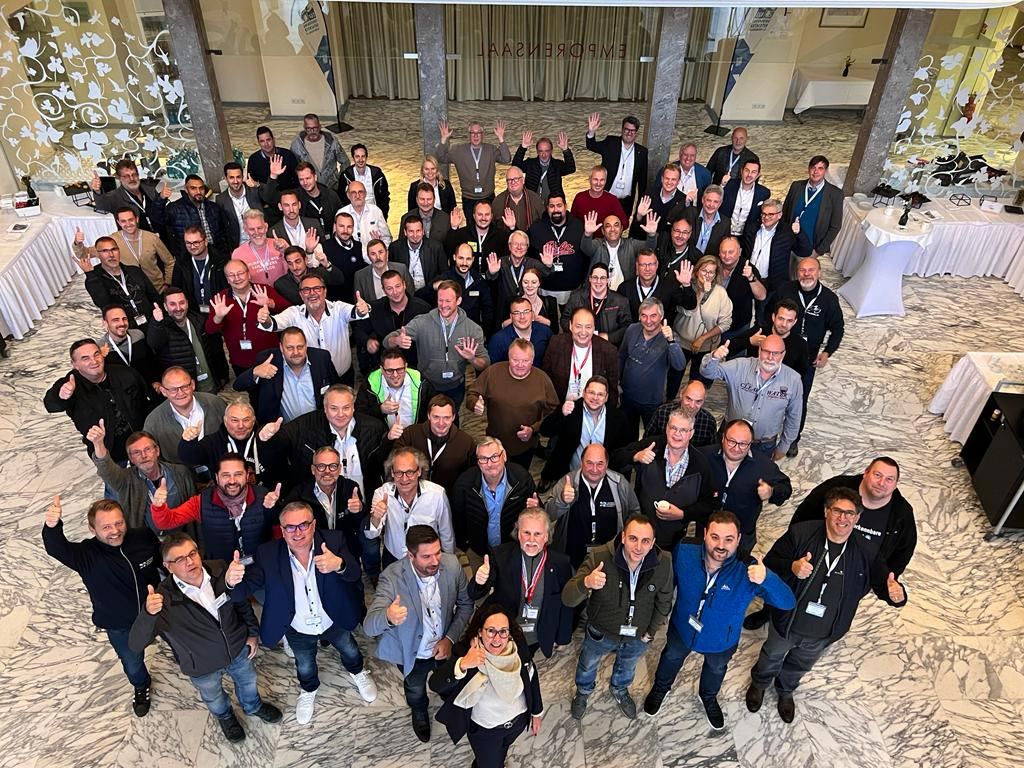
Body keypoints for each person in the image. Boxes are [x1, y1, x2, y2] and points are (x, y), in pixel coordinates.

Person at [745, 487, 907, 723]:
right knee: (771, 656)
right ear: (826, 512)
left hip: (824, 632)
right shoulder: (801, 533)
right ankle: (759, 684)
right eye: (837, 511)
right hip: (787, 622)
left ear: (857, 518)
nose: (843, 518)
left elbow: (885, 584)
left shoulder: (866, 550)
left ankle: (785, 690)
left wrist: (896, 595)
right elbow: (770, 563)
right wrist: (792, 567)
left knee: (800, 665)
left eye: (850, 513)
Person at [642, 510, 795, 728]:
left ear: (739, 539)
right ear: (705, 534)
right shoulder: (685, 550)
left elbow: (787, 602)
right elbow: (668, 582)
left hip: (721, 640)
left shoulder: (749, 569)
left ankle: (708, 697)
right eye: (715, 537)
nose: (721, 545)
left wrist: (767, 579)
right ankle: (661, 688)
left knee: (715, 670)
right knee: (671, 657)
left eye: (729, 539)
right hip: (682, 628)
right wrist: (662, 611)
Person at [229, 500, 377, 725]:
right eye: (290, 527)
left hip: (332, 619)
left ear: (314, 525)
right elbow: (244, 590)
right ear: (282, 530)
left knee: (349, 649)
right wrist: (232, 582)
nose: (297, 532)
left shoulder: (333, 540)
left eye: (303, 525)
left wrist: (339, 564)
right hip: (297, 627)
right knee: (305, 664)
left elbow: (355, 574)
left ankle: (357, 672)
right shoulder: (267, 553)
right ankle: (308, 689)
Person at [128, 532, 283, 742]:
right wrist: (148, 614)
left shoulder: (219, 569)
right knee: (214, 697)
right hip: (202, 666)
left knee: (248, 682)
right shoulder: (163, 600)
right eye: (180, 559)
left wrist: (252, 632)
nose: (189, 562)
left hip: (238, 650)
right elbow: (136, 644)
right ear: (168, 566)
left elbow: (240, 602)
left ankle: (253, 706)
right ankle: (225, 717)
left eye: (192, 553)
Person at [745, 456, 916, 632]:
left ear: (896, 484)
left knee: (835, 606)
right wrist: (795, 548)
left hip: (851, 573)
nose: (881, 483)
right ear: (866, 473)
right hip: (809, 563)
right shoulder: (837, 487)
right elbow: (804, 515)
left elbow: (903, 551)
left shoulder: (901, 513)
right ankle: (768, 612)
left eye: (889, 479)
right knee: (783, 589)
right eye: (877, 475)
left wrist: (886, 579)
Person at [42, 497, 162, 717]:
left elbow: (161, 560)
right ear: (92, 529)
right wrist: (52, 526)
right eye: (106, 527)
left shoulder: (142, 537)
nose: (115, 531)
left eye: (119, 523)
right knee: (132, 663)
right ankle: (141, 685)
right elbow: (57, 548)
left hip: (159, 612)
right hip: (121, 625)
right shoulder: (86, 555)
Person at [364, 525, 474, 742]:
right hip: (411, 652)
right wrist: (388, 616)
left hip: (444, 646)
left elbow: (465, 604)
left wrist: (450, 638)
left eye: (437, 553)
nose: (435, 561)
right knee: (414, 688)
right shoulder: (392, 577)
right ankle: (419, 710)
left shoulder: (452, 565)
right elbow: (369, 626)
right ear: (410, 555)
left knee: (449, 679)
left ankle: (449, 699)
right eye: (426, 556)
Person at [562, 514, 672, 720]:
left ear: (653, 543)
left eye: (645, 541)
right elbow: (568, 598)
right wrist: (586, 582)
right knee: (587, 664)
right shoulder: (599, 557)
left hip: (638, 635)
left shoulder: (664, 562)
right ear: (623, 537)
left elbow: (664, 602)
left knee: (628, 666)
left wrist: (650, 632)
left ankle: (620, 690)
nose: (638, 547)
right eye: (633, 539)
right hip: (601, 631)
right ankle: (583, 691)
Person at [429, 603, 544, 767]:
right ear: (480, 632)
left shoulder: (517, 645)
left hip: (517, 722)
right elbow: (435, 684)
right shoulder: (467, 653)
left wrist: (536, 711)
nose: (497, 639)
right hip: (486, 731)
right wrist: (463, 664)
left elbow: (531, 673)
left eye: (503, 631)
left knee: (500, 754)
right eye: (491, 631)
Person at [466, 507, 573, 658]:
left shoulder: (561, 563)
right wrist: (479, 581)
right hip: (503, 635)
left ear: (547, 536)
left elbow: (565, 604)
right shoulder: (500, 555)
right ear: (518, 533)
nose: (531, 540)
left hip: (537, 635)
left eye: (537, 534)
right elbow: (475, 594)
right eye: (526, 533)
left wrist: (563, 637)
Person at [151, 453, 282, 562]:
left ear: (247, 476)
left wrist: (273, 510)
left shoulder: (265, 497)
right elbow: (166, 522)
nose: (232, 481)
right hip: (221, 569)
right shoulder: (201, 501)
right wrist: (158, 506)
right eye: (226, 475)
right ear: (217, 477)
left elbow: (279, 531)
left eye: (238, 474)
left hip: (261, 565)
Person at [614, 410, 716, 548]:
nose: (677, 434)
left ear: (691, 433)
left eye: (683, 430)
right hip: (639, 535)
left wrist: (683, 514)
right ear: (667, 428)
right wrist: (636, 456)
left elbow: (710, 503)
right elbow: (615, 458)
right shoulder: (652, 446)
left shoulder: (700, 464)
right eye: (673, 428)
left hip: (674, 540)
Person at [774, 256, 844, 456]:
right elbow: (769, 312)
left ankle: (793, 439)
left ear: (819, 272)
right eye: (802, 270)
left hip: (807, 360)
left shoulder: (829, 299)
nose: (806, 274)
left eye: (811, 270)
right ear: (797, 273)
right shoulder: (786, 289)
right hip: (779, 355)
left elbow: (838, 329)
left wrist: (827, 352)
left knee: (799, 401)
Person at [44, 338, 153, 464]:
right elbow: (51, 405)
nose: (94, 361)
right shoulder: (69, 383)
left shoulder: (125, 373)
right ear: (74, 364)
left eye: (96, 354)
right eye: (85, 358)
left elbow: (149, 402)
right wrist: (61, 395)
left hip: (142, 445)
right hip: (109, 455)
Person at [384, 280, 489, 410]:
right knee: (427, 419)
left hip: (455, 386)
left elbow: (485, 363)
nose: (443, 305)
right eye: (440, 300)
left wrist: (472, 359)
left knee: (452, 419)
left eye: (448, 301)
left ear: (458, 301)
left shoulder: (473, 329)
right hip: (427, 385)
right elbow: (387, 341)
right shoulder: (422, 322)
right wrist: (396, 341)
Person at [700, 334, 803, 461]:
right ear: (759, 350)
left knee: (756, 474)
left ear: (783, 354)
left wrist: (784, 446)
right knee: (718, 468)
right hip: (730, 439)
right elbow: (707, 373)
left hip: (763, 445)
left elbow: (794, 416)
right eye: (766, 351)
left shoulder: (793, 380)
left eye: (776, 353)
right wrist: (714, 357)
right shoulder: (740, 366)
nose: (770, 357)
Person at [256, 273, 370, 383]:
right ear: (301, 294)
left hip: (343, 377)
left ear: (325, 291)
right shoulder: (294, 313)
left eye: (317, 288)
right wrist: (265, 319)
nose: (312, 293)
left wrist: (362, 309)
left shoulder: (338, 308)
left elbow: (356, 312)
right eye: (306, 290)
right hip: (311, 380)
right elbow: (273, 324)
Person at [700, 420, 792, 557]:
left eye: (743, 444)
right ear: (723, 437)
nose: (736, 448)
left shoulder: (763, 465)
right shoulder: (705, 456)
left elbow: (786, 487)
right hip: (706, 528)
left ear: (751, 444)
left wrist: (772, 491)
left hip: (742, 533)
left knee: (738, 565)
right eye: (732, 441)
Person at [276, 384, 388, 495]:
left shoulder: (374, 428)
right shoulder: (305, 429)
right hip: (323, 502)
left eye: (346, 408)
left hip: (367, 501)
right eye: (334, 408)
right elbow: (279, 445)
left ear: (353, 407)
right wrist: (267, 437)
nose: (340, 414)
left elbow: (383, 464)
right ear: (325, 409)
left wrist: (390, 441)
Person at [545, 443, 642, 569]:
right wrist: (562, 500)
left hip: (610, 557)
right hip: (571, 557)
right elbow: (547, 515)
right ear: (581, 463)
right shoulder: (567, 482)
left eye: (600, 464)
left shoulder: (619, 483)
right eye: (589, 463)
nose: (594, 469)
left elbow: (635, 513)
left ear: (607, 464)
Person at [450, 437, 539, 570]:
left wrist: (536, 509)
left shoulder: (521, 478)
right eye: (483, 459)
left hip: (512, 550)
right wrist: (467, 546)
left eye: (494, 457)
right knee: (481, 582)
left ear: (504, 456)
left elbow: (540, 513)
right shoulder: (464, 484)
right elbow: (457, 518)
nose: (490, 464)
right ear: (478, 462)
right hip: (478, 553)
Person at [88, 424, 197, 533]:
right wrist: (99, 444)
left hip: (182, 538)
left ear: (157, 451)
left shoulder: (180, 472)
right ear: (131, 458)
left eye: (148, 449)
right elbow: (107, 470)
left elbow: (196, 511)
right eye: (137, 453)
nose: (144, 455)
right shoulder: (126, 479)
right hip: (148, 540)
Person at [468, 339, 559, 469]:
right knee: (493, 473)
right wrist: (474, 404)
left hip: (525, 446)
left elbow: (554, 412)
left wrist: (534, 429)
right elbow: (472, 393)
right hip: (494, 443)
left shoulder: (542, 379)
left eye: (525, 361)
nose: (520, 365)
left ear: (532, 360)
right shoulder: (493, 372)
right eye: (515, 360)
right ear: (508, 357)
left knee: (519, 476)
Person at [366, 447, 455, 566]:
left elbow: (446, 533)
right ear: (392, 472)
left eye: (410, 472)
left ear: (419, 471)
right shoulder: (382, 493)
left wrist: (449, 563)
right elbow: (371, 534)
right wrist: (376, 517)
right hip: (393, 557)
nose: (404, 479)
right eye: (399, 473)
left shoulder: (437, 494)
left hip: (427, 557)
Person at [540, 375, 633, 488]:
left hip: (602, 475)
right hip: (572, 472)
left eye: (600, 394)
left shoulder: (618, 417)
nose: (595, 397)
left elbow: (625, 448)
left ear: (606, 398)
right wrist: (561, 414)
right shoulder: (571, 409)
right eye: (591, 392)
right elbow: (544, 431)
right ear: (584, 393)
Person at [232, 326, 338, 423]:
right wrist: (255, 372)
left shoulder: (321, 358)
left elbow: (337, 387)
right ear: (281, 347)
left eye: (300, 347)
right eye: (290, 348)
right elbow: (238, 386)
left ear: (306, 345)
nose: (296, 352)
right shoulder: (268, 360)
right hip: (283, 429)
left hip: (319, 424)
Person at [204, 259, 288, 375]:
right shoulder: (220, 299)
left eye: (240, 273)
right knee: (247, 386)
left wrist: (270, 303)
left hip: (269, 357)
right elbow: (210, 330)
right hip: (240, 360)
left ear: (248, 274)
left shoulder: (264, 290)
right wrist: (218, 317)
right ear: (227, 279)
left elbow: (289, 311)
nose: (237, 278)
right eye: (231, 275)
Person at [178, 401, 281, 488]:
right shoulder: (214, 442)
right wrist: (188, 441)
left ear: (253, 421)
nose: (241, 426)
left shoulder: (265, 438)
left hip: (264, 497)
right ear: (225, 421)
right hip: (225, 499)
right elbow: (190, 458)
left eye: (246, 420)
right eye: (235, 420)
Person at [618, 297, 685, 431]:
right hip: (627, 396)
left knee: (652, 435)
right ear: (639, 316)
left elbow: (679, 365)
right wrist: (617, 383)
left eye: (653, 316)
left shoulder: (669, 336)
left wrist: (671, 341)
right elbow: (622, 356)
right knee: (627, 434)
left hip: (652, 401)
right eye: (644, 315)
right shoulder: (632, 329)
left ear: (661, 316)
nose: (648, 321)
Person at [73, 207, 175, 292]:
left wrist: (167, 283)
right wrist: (78, 243)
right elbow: (84, 254)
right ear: (118, 222)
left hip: (157, 287)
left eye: (131, 220)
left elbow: (170, 262)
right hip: (133, 289)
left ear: (137, 219)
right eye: (123, 221)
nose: (128, 224)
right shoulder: (112, 241)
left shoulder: (152, 238)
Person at [146, 286, 224, 393]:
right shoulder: (162, 327)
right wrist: (157, 323)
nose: (178, 308)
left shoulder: (199, 320)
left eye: (182, 303)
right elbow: (154, 343)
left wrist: (222, 375)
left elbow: (215, 347)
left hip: (209, 385)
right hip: (183, 391)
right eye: (172, 304)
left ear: (187, 303)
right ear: (165, 306)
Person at [143, 366, 226, 465]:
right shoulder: (153, 421)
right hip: (181, 473)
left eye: (184, 387)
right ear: (163, 391)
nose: (180, 393)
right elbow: (151, 456)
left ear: (193, 385)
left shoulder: (215, 403)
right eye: (173, 389)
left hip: (220, 466)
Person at [352, 269, 431, 372]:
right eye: (389, 288)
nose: (395, 292)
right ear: (384, 290)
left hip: (416, 366)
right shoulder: (375, 308)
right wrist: (367, 341)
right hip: (384, 368)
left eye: (398, 286)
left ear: (404, 285)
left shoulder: (423, 308)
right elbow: (358, 330)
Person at [672, 255, 732, 388]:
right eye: (704, 270)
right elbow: (689, 311)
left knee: (698, 383)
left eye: (711, 272)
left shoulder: (721, 293)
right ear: (697, 271)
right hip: (682, 342)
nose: (707, 275)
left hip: (706, 346)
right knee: (674, 378)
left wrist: (703, 338)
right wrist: (702, 293)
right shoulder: (686, 287)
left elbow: (725, 323)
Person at [541, 307, 619, 409]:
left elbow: (612, 390)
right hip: (561, 407)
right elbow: (545, 379)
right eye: (578, 326)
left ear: (594, 327)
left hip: (593, 410)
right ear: (570, 326)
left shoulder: (608, 351)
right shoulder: (556, 343)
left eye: (588, 327)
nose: (583, 332)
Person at [395, 394, 477, 489]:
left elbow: (470, 476)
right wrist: (388, 439)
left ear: (453, 417)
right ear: (428, 415)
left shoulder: (466, 442)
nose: (441, 423)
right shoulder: (410, 434)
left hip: (449, 495)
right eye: (436, 417)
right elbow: (391, 462)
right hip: (413, 493)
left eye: (446, 418)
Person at [740, 199, 812, 306]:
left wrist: (799, 233)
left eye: (771, 214)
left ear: (779, 215)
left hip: (772, 282)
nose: (766, 217)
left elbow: (805, 251)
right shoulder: (752, 227)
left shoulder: (787, 232)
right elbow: (744, 249)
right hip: (749, 276)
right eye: (764, 214)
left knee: (764, 310)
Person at [436, 118, 511, 220]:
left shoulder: (491, 149)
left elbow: (506, 159)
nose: (476, 136)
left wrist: (501, 139)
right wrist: (444, 140)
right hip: (469, 198)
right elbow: (440, 158)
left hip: (488, 197)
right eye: (472, 133)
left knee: (489, 224)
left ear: (482, 135)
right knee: (471, 226)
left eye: (478, 133)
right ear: (469, 135)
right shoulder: (458, 150)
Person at [82, 236, 161, 326]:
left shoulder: (134, 271)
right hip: (124, 327)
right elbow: (103, 303)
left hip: (152, 320)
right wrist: (90, 275)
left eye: (114, 249)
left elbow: (153, 296)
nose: (111, 255)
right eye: (105, 251)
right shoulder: (94, 278)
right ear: (98, 254)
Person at [356, 348, 436, 432]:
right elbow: (359, 416)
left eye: (399, 369)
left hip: (415, 436)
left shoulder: (421, 383)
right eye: (390, 370)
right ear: (382, 370)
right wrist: (380, 410)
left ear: (406, 367)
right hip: (384, 437)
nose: (395, 375)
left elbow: (434, 412)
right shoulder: (369, 385)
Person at [584, 112, 648, 217]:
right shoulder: (611, 143)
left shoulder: (642, 152)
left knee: (621, 225)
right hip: (606, 197)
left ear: (636, 133)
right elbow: (592, 146)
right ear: (622, 130)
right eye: (627, 129)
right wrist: (591, 132)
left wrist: (639, 207)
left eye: (632, 130)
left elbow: (642, 181)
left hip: (626, 202)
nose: (629, 133)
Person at [781, 155, 844, 257]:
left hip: (810, 248)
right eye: (813, 168)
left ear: (826, 171)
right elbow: (784, 212)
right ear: (808, 169)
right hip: (788, 243)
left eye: (820, 168)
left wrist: (818, 251)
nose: (816, 172)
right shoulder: (796, 186)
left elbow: (835, 227)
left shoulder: (835, 194)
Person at [484, 230, 553, 323]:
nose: (519, 247)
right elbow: (489, 281)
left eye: (523, 244)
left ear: (527, 247)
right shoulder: (500, 262)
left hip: (526, 311)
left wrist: (548, 266)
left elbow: (548, 275)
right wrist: (492, 273)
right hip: (504, 310)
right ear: (509, 246)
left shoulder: (534, 263)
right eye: (515, 244)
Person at [527, 193, 586, 302]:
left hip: (573, 290)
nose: (555, 210)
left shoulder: (579, 227)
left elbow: (586, 256)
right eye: (552, 206)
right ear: (547, 208)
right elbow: (528, 255)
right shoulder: (536, 228)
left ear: (565, 206)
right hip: (545, 289)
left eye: (559, 205)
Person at [581, 212, 657, 294]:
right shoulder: (598, 244)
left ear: (621, 229)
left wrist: (651, 235)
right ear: (603, 231)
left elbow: (649, 249)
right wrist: (587, 234)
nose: (612, 229)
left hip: (624, 294)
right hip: (597, 291)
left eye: (616, 225)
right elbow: (586, 248)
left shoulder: (630, 244)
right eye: (608, 226)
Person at [559, 263, 632, 345]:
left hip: (608, 345)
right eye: (595, 277)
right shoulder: (576, 297)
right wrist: (579, 332)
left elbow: (627, 326)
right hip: (580, 342)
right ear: (590, 279)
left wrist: (609, 337)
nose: (598, 281)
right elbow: (564, 320)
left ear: (608, 280)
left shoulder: (620, 301)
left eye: (602, 278)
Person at [735, 298, 810, 377]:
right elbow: (729, 347)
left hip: (782, 383)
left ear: (795, 322)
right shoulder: (758, 332)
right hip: (751, 379)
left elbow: (801, 375)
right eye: (781, 318)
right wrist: (750, 341)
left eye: (789, 321)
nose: (784, 324)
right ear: (774, 317)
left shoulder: (800, 344)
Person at [164, 174, 231, 259]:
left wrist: (226, 251)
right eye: (193, 188)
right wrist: (161, 199)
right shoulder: (175, 208)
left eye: (201, 188)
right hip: (190, 257)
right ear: (186, 190)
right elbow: (157, 220)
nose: (198, 192)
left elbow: (224, 232)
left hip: (216, 254)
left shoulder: (214, 207)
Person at [91, 158, 169, 231]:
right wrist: (97, 191)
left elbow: (160, 211)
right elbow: (102, 206)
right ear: (119, 178)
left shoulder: (150, 190)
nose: (132, 179)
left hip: (161, 235)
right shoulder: (115, 196)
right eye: (126, 176)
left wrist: (161, 198)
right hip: (136, 237)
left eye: (134, 174)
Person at [716, 235, 766, 349]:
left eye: (731, 252)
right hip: (713, 325)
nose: (727, 256)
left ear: (739, 252)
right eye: (723, 252)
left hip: (736, 327)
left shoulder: (748, 268)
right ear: (719, 252)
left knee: (734, 355)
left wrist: (751, 277)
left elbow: (762, 296)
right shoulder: (714, 264)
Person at [435, 243, 495, 333]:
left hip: (472, 331)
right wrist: (433, 287)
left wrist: (483, 332)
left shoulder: (479, 280)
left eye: (468, 259)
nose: (464, 263)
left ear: (473, 259)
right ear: (454, 257)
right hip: (447, 331)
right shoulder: (445, 278)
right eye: (461, 258)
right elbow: (421, 295)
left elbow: (488, 309)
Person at [99, 304, 159, 385]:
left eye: (124, 319)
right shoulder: (99, 348)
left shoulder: (138, 335)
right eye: (116, 320)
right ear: (105, 323)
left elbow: (151, 360)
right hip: (122, 390)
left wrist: (156, 380)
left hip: (147, 385)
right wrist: (100, 358)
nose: (122, 323)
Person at [389, 214, 448, 295]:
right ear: (405, 232)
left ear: (423, 231)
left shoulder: (436, 247)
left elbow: (444, 273)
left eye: (418, 231)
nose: (415, 235)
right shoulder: (395, 248)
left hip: (429, 293)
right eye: (411, 231)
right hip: (403, 294)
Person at [512, 130, 576, 202]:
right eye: (541, 151)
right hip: (532, 202)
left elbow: (571, 168)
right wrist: (523, 147)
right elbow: (515, 167)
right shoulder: (530, 164)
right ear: (537, 151)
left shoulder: (557, 165)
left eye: (547, 151)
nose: (544, 154)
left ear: (551, 151)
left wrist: (565, 150)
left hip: (553, 204)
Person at [445, 200, 509, 272]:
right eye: (480, 214)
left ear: (491, 216)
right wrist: (453, 228)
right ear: (474, 216)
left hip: (493, 277)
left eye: (487, 214)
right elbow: (449, 251)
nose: (483, 218)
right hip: (467, 276)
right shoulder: (462, 234)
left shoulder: (501, 236)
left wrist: (512, 228)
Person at [290, 113, 349, 191]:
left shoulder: (331, 141)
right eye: (308, 129)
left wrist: (339, 179)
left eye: (315, 128)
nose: (312, 131)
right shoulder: (297, 145)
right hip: (309, 189)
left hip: (331, 188)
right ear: (304, 128)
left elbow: (345, 161)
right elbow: (294, 168)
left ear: (320, 127)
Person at [487, 296, 552, 365]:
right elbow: (494, 368)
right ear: (511, 317)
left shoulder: (545, 332)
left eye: (526, 312)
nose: (522, 317)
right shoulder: (498, 340)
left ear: (532, 314)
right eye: (517, 313)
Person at [273, 244, 344, 306]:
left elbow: (339, 280)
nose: (294, 267)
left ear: (305, 260)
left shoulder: (318, 273)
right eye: (290, 263)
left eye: (298, 262)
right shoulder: (280, 284)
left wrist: (327, 264)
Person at [216, 161, 264, 250]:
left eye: (238, 177)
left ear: (242, 177)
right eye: (231, 177)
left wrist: (258, 185)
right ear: (226, 179)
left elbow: (271, 198)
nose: (235, 181)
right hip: (239, 245)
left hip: (260, 241)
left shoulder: (254, 191)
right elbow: (223, 228)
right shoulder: (221, 199)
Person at [631, 165, 685, 238]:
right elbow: (634, 229)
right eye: (667, 178)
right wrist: (639, 216)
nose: (669, 182)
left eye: (673, 179)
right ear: (662, 179)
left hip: (666, 243)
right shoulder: (649, 193)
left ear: (678, 181)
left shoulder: (683, 201)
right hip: (644, 240)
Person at [721, 158, 771, 236]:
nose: (749, 175)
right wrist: (722, 185)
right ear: (742, 171)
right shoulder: (729, 185)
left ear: (758, 175)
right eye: (747, 170)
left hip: (747, 236)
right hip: (724, 232)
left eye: (753, 172)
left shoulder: (764, 193)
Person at [341, 179, 392, 256]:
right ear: (348, 195)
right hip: (350, 258)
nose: (357, 196)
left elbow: (387, 238)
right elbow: (337, 242)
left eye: (360, 192)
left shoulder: (376, 211)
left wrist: (380, 250)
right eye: (353, 193)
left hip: (374, 258)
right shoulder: (341, 214)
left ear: (365, 194)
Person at [341, 143, 390, 217]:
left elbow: (385, 196)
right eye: (357, 156)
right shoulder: (346, 175)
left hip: (374, 213)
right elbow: (342, 198)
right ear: (353, 158)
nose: (360, 160)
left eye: (363, 156)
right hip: (354, 214)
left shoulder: (377, 174)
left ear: (366, 157)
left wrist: (383, 214)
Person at [491, 165, 544, 232]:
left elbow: (544, 223)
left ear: (523, 180)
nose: (513, 182)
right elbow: (492, 227)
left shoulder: (535, 199)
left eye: (516, 178)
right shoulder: (498, 202)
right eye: (509, 180)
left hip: (532, 237)